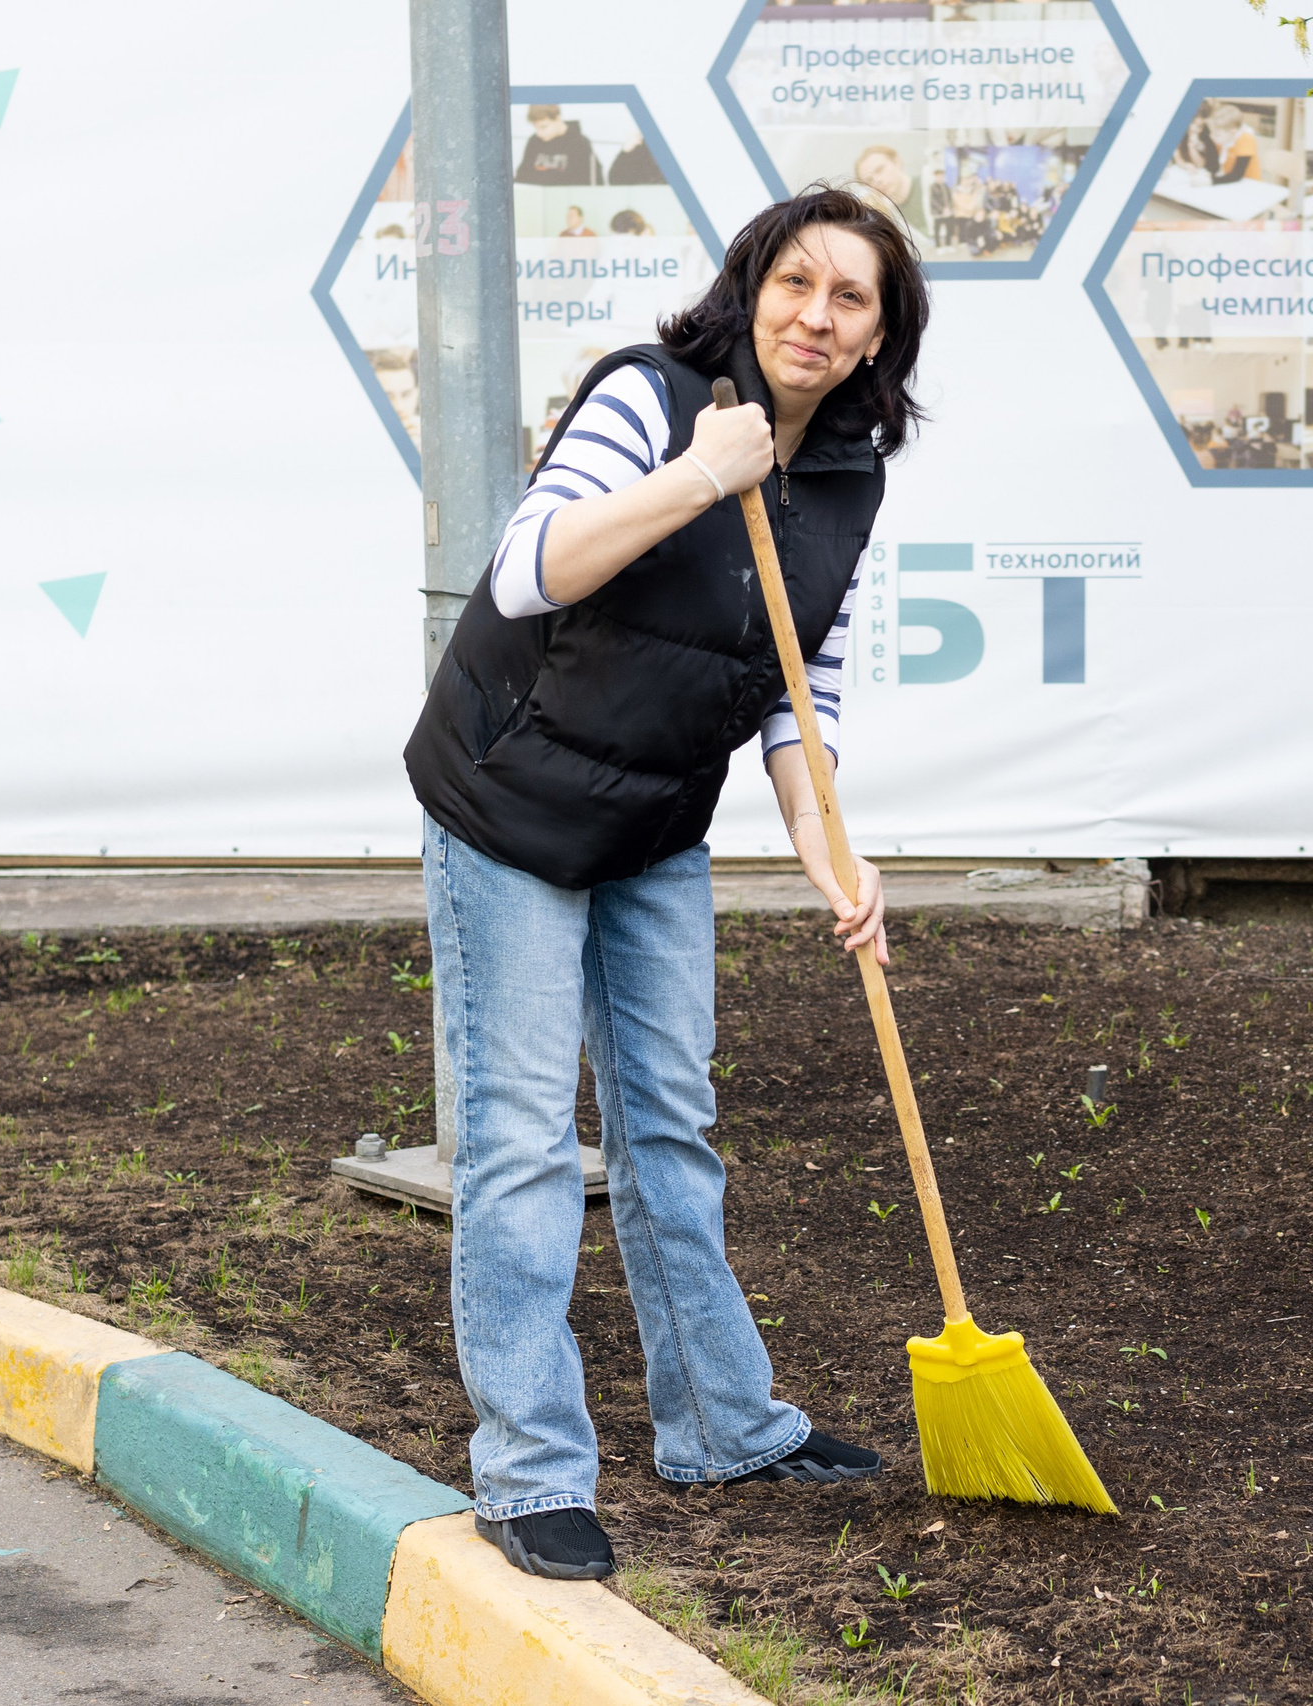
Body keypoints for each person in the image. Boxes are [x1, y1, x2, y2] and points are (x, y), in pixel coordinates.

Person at [403, 186, 931, 1583]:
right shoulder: (650, 397)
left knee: (671, 1124)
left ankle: (722, 1423)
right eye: (796, 282)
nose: (816, 315)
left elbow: (803, 683)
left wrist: (827, 844)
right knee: (524, 1138)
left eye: (852, 297)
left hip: (653, 818)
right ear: (752, 286)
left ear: (881, 335)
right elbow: (527, 571)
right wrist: (701, 474)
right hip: (510, 798)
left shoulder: (848, 474)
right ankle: (530, 1470)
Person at [517, 105, 600, 185]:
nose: (539, 133)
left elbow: (592, 181)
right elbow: (522, 177)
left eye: (543, 127)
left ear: (557, 118)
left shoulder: (580, 144)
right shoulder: (534, 142)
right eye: (535, 127)